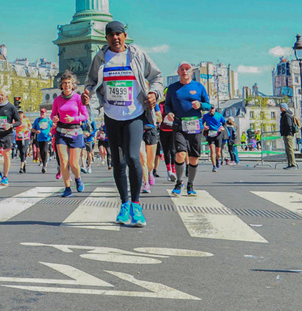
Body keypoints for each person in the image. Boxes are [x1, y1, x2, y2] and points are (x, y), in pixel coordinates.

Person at [82, 20, 163, 227]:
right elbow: (90, 82)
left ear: (125, 36)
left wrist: (154, 94)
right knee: (117, 162)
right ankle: (124, 204)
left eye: (119, 34)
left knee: (134, 158)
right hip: (111, 115)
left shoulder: (136, 55)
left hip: (134, 114)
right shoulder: (100, 58)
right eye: (111, 35)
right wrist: (87, 94)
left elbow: (156, 77)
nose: (115, 38)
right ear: (106, 38)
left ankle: (136, 205)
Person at [164, 62, 211, 197]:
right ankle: (179, 182)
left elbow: (208, 105)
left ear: (191, 72)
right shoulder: (173, 88)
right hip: (179, 125)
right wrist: (169, 113)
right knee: (180, 154)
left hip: (195, 125)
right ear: (178, 72)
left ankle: (190, 184)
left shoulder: (199, 86)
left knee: (193, 157)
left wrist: (200, 105)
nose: (184, 71)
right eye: (182, 69)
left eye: (187, 69)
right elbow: (168, 105)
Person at [52, 71, 88, 197]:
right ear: (61, 85)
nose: (67, 85)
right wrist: (55, 119)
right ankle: (67, 188)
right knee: (63, 161)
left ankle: (78, 178)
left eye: (69, 83)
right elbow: (53, 114)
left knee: (73, 163)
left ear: (73, 85)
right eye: (64, 83)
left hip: (75, 131)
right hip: (61, 132)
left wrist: (73, 119)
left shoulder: (78, 98)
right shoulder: (57, 100)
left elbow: (85, 116)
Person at [0, 89, 21, 186]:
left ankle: (5, 177)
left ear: (6, 96)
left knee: (6, 155)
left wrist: (10, 125)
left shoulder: (11, 107)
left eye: (2, 95)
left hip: (7, 134)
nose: (0, 97)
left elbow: (19, 121)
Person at [202, 106, 226, 172]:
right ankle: (214, 166)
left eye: (212, 109)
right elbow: (201, 123)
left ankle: (217, 159)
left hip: (218, 134)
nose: (211, 110)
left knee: (218, 152)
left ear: (214, 109)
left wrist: (222, 127)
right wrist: (204, 127)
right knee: (212, 150)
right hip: (210, 133)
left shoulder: (219, 115)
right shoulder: (205, 116)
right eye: (209, 109)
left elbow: (224, 123)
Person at [31, 108, 53, 173]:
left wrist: (51, 132)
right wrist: (36, 131)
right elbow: (32, 129)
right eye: (41, 112)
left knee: (45, 150)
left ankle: (45, 165)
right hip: (39, 138)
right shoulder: (37, 120)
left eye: (43, 112)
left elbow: (53, 127)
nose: (42, 114)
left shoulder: (48, 120)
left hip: (47, 138)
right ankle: (43, 162)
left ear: (46, 113)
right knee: (41, 152)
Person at [279, 102, 299, 169]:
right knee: (288, 149)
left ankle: (293, 164)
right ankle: (290, 163)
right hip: (287, 133)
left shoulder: (286, 115)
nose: (280, 109)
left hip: (288, 134)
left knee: (290, 149)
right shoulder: (286, 114)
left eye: (281, 107)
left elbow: (289, 125)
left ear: (283, 108)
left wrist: (286, 132)